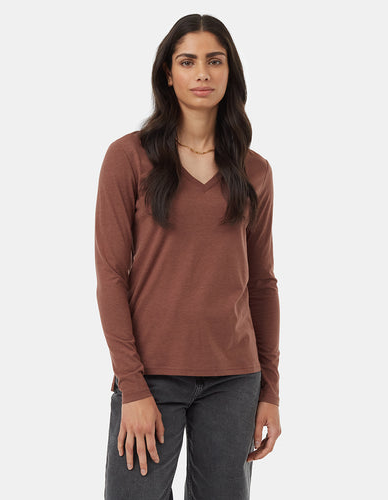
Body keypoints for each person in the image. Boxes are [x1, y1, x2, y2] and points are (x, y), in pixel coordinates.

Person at [95, 13, 282, 500]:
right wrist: (132, 387)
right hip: (151, 376)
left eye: (214, 61)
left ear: (230, 71)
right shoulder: (128, 158)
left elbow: (262, 284)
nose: (202, 73)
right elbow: (111, 276)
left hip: (234, 380)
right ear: (168, 73)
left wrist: (270, 390)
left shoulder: (254, 170)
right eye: (188, 61)